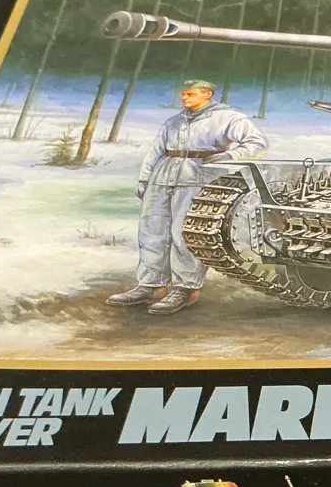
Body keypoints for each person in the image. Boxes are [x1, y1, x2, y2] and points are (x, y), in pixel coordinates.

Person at [107, 79, 268, 314]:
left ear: (207, 94)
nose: (184, 98)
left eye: (190, 94)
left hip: (198, 178)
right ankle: (151, 285)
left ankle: (186, 288)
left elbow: (257, 142)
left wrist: (230, 156)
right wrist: (144, 178)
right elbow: (156, 150)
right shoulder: (174, 121)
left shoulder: (228, 118)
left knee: (184, 233)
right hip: (163, 177)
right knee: (151, 232)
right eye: (183, 94)